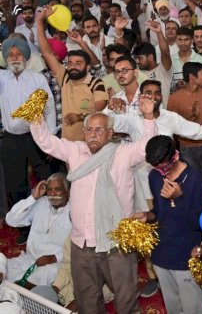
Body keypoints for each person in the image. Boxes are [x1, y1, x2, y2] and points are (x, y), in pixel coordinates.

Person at [30, 99, 157, 314]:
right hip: (82, 242)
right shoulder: (75, 151)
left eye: (99, 130)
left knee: (125, 299)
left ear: (110, 133)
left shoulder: (123, 153)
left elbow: (148, 146)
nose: (93, 134)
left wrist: (148, 117)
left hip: (116, 242)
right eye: (89, 129)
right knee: (87, 300)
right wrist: (35, 118)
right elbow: (47, 142)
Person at [132, 136, 202, 314]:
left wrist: (179, 197)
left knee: (193, 308)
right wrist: (147, 216)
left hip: (185, 254)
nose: (161, 171)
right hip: (162, 252)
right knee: (173, 307)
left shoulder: (193, 178)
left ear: (175, 155)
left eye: (164, 166)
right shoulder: (154, 177)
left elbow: (197, 223)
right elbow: (159, 212)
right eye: (156, 167)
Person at [0, 36, 56, 218]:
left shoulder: (37, 79)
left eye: (19, 54)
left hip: (35, 137)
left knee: (44, 177)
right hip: (10, 139)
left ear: (25, 57)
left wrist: (50, 139)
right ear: (6, 58)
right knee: (15, 182)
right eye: (11, 54)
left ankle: (47, 217)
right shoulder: (1, 78)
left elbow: (49, 110)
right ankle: (22, 222)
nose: (15, 57)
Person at [36, 7, 108, 141]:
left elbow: (100, 107)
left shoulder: (95, 83)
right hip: (68, 146)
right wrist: (40, 23)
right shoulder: (64, 78)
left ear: (87, 67)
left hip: (91, 144)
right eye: (70, 63)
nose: (73, 66)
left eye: (78, 63)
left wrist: (79, 117)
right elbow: (47, 53)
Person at [1, 174, 71, 288]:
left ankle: (19, 296)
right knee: (2, 265)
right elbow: (11, 220)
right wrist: (33, 198)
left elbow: (79, 245)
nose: (52, 194)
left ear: (67, 191)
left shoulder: (74, 210)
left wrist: (54, 257)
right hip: (29, 259)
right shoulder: (42, 202)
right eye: (49, 189)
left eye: (57, 189)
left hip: (56, 263)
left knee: (43, 275)